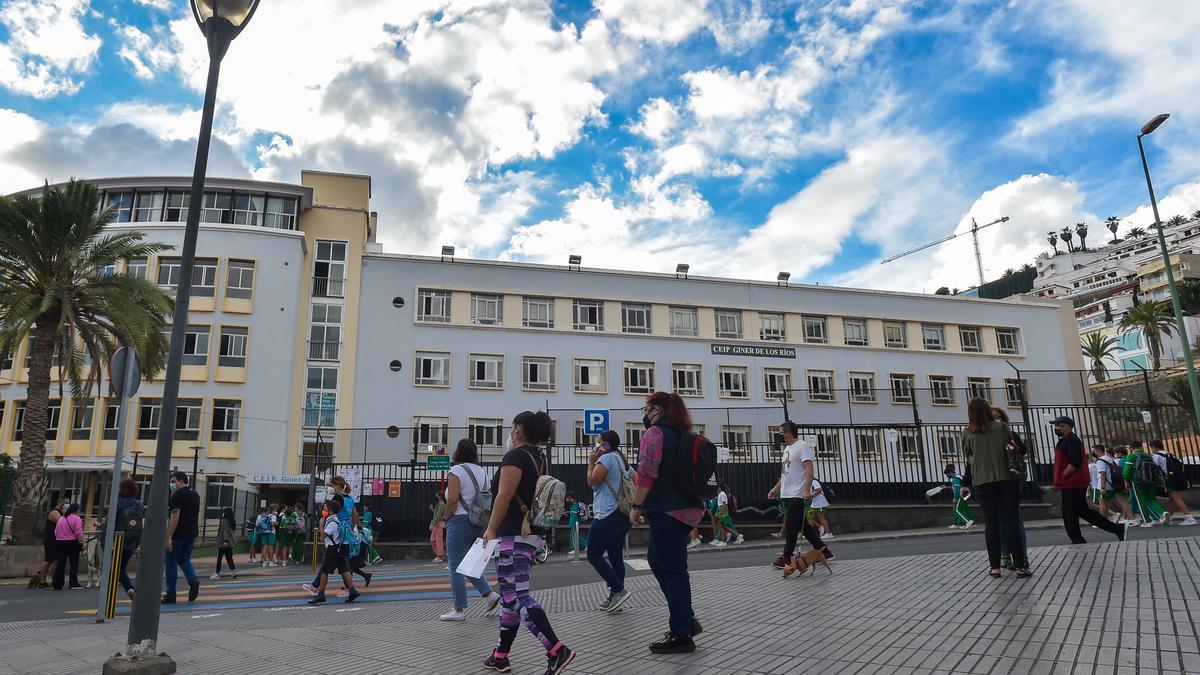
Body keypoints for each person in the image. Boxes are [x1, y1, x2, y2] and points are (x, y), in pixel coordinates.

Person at [481, 410, 575, 674]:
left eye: (512, 426)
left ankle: (557, 650)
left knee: (516, 597)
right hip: (529, 535)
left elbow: (506, 493)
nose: (511, 431)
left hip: (512, 535)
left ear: (519, 429)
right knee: (511, 598)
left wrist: (490, 528)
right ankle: (501, 655)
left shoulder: (515, 456)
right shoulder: (538, 458)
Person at [631, 392, 706, 655]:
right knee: (657, 560)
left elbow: (646, 472)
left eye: (648, 408)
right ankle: (686, 620)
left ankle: (681, 634)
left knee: (673, 570)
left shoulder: (655, 434)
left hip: (668, 510)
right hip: (687, 509)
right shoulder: (681, 435)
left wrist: (636, 506)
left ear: (659, 409)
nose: (646, 413)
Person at [960, 398, 1030, 578]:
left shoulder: (967, 433)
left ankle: (995, 567)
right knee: (1011, 521)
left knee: (991, 523)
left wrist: (964, 483)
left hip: (983, 482)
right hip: (1007, 479)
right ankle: (1021, 567)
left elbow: (968, 459)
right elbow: (1013, 448)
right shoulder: (1003, 428)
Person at [440, 438, 501, 622]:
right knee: (471, 565)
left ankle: (458, 610)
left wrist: (446, 518)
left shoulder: (456, 470)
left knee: (455, 567)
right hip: (479, 523)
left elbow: (451, 500)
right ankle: (490, 595)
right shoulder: (482, 471)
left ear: (458, 452)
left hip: (458, 521)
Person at [1050, 416, 1125, 545]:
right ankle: (1116, 529)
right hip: (1071, 482)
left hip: (1072, 483)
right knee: (1082, 511)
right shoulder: (1065, 441)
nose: (1055, 428)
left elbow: (1075, 462)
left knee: (1069, 512)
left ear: (1066, 427)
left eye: (1058, 426)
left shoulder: (1071, 441)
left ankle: (1077, 539)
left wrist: (1062, 476)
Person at [768, 421, 833, 571]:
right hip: (787, 494)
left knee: (791, 525)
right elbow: (785, 474)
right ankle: (824, 551)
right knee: (803, 527)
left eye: (780, 432)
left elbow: (809, 468)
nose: (779, 435)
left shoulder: (802, 446)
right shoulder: (787, 450)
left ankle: (786, 556)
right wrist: (775, 489)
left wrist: (807, 489)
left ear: (788, 433)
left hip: (798, 493)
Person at [586, 429, 634, 612]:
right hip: (623, 514)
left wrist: (591, 462)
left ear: (605, 444)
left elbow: (592, 480)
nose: (597, 445)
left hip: (607, 513)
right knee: (615, 556)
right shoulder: (622, 460)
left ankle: (618, 589)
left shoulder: (606, 459)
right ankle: (616, 597)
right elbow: (636, 479)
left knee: (593, 554)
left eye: (599, 442)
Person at [989, 406, 1027, 570]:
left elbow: (1023, 450)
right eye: (993, 419)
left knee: (1015, 520)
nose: (997, 421)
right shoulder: (984, 437)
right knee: (1000, 521)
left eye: (999, 418)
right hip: (992, 482)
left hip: (1010, 480)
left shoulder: (1011, 435)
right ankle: (1005, 554)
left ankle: (1022, 555)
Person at [307, 496, 360, 605]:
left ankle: (321, 594)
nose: (323, 510)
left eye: (325, 508)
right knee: (345, 570)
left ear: (330, 510)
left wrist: (321, 525)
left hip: (332, 550)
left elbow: (323, 534)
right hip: (338, 549)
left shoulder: (332, 522)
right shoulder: (336, 520)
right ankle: (352, 590)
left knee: (324, 571)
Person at [164, 471, 201, 604]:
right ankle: (193, 580)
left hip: (178, 533)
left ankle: (171, 594)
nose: (172, 485)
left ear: (180, 481)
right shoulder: (195, 494)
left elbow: (175, 516)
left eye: (173, 481)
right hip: (191, 532)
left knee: (170, 562)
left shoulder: (177, 496)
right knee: (184, 559)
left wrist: (168, 536)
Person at [1149, 440, 1197, 526]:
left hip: (1167, 481)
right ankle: (1170, 518)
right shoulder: (1169, 454)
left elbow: (1154, 469)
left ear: (1154, 447)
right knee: (1173, 499)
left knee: (1176, 498)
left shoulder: (1156, 456)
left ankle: (1189, 517)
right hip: (1175, 479)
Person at [112, 479, 145, 597]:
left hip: (118, 540)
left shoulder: (118, 502)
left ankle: (129, 589)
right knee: (120, 568)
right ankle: (129, 589)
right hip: (132, 541)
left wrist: (103, 540)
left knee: (114, 569)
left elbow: (111, 522)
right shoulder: (139, 504)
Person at [1124, 441, 1167, 526]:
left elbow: (1126, 472)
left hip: (1137, 482)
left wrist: (1127, 480)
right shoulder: (1150, 456)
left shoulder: (1132, 456)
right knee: (1152, 499)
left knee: (1141, 500)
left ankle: (1147, 521)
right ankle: (1163, 513)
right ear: (1141, 446)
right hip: (1151, 481)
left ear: (1131, 448)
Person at [1098, 446, 1137, 524]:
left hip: (1114, 483)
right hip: (1124, 483)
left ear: (1119, 453)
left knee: (1103, 501)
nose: (1115, 455)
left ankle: (1103, 521)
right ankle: (1130, 517)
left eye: (1116, 453)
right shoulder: (1128, 459)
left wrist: (1103, 487)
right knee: (1124, 501)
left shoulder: (1118, 461)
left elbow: (1105, 473)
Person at [35, 498, 67, 589]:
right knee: (50, 560)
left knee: (53, 560)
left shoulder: (60, 513)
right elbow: (62, 523)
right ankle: (43, 581)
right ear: (61, 504)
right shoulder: (54, 513)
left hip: (56, 539)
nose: (68, 505)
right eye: (67, 504)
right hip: (51, 540)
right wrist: (66, 513)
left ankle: (48, 579)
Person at [52, 502, 85, 590]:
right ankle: (73, 583)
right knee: (73, 564)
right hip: (72, 543)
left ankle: (57, 584)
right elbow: (78, 532)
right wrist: (83, 542)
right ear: (77, 510)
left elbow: (56, 532)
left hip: (59, 543)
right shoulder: (77, 519)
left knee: (60, 564)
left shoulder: (61, 519)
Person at [943, 464, 975, 530]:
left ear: (951, 472)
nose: (947, 476)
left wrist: (956, 497)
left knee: (957, 509)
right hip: (966, 493)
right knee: (965, 508)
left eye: (947, 474)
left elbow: (957, 488)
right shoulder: (958, 477)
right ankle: (972, 523)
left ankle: (967, 523)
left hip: (961, 494)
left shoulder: (955, 478)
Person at [211, 507, 238, 580]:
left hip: (223, 543)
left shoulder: (225, 521)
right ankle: (234, 571)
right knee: (229, 558)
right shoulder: (232, 521)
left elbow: (224, 531)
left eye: (223, 512)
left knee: (219, 558)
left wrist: (225, 541)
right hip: (230, 543)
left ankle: (217, 573)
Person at [429, 494, 447, 563]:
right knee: (433, 539)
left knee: (438, 539)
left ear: (439, 496)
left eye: (436, 495)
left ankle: (439, 555)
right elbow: (437, 514)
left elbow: (439, 515)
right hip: (437, 523)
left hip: (438, 523)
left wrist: (433, 524)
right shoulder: (439, 504)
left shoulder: (441, 504)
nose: (436, 496)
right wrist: (432, 509)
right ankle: (440, 553)